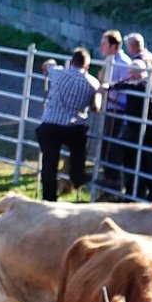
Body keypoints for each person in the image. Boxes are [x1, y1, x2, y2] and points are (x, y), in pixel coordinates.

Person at [36, 49, 101, 202]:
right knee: (79, 147)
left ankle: (49, 199)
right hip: (74, 128)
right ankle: (77, 176)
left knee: (49, 164)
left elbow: (48, 65)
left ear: (72, 62)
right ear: (88, 65)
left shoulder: (58, 73)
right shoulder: (92, 83)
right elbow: (96, 107)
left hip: (50, 125)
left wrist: (50, 63)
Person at [120, 33, 152, 201]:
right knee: (148, 161)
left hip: (144, 125)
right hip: (151, 120)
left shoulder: (137, 81)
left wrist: (112, 88)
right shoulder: (151, 57)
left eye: (131, 73)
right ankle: (151, 195)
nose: (129, 75)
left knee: (140, 160)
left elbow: (129, 88)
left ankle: (140, 195)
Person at [97, 30, 135, 192]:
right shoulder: (110, 61)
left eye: (104, 44)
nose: (101, 47)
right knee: (106, 147)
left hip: (117, 111)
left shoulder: (123, 63)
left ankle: (113, 184)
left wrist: (111, 97)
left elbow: (126, 94)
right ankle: (108, 182)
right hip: (111, 109)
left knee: (112, 148)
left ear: (113, 46)